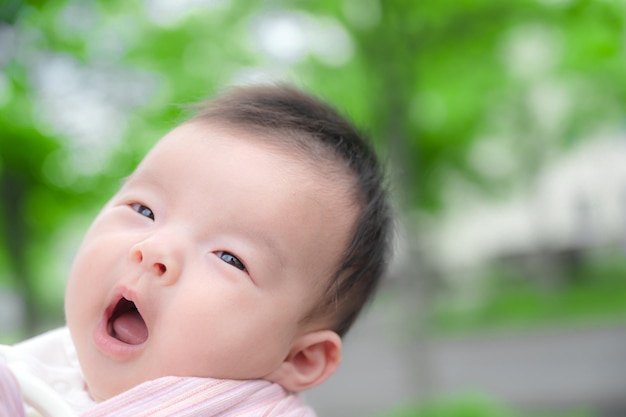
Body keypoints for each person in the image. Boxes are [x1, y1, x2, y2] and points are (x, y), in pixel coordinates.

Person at [0, 84, 394, 416]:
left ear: (299, 358)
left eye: (229, 258)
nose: (155, 250)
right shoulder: (31, 369)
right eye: (144, 210)